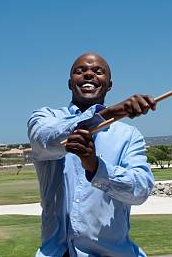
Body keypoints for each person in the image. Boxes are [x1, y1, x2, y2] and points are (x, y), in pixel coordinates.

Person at [28, 53, 156, 257]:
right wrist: (108, 114)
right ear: (70, 83)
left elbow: (140, 191)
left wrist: (96, 167)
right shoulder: (46, 118)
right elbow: (44, 139)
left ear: (109, 84)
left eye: (98, 71)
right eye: (80, 71)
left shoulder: (128, 135)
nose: (89, 74)